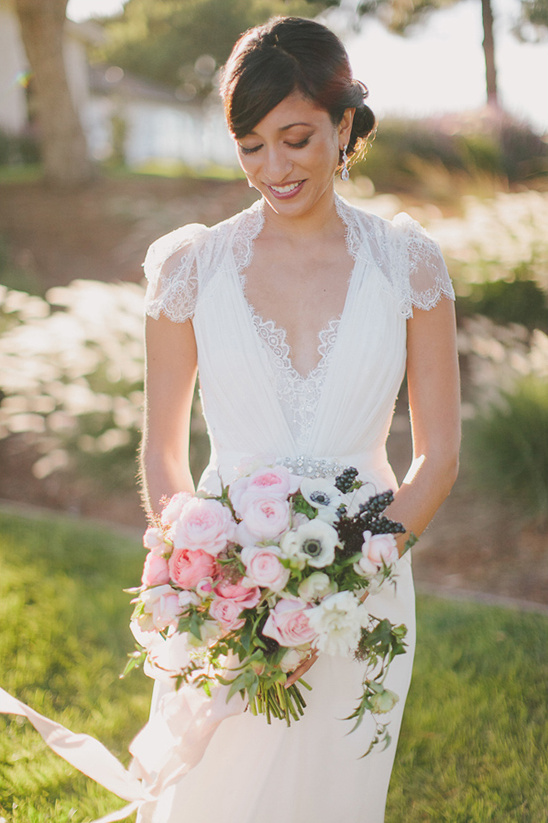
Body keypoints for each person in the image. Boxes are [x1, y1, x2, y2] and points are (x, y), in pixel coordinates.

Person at [139, 15, 460, 823]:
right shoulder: (190, 266)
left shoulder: (408, 262)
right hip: (230, 594)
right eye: (251, 145)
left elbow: (439, 456)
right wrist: (212, 584)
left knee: (334, 796)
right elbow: (163, 451)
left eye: (295, 139)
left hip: (367, 592)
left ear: (343, 124)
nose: (272, 168)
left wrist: (342, 586)